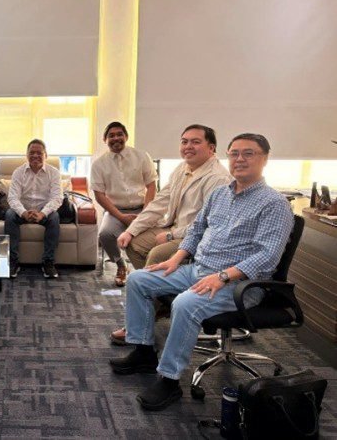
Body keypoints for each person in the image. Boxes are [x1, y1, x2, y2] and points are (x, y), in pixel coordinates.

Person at [109, 133, 293, 411]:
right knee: (138, 279)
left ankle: (169, 380)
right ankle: (144, 352)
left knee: (185, 303)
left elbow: (267, 257)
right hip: (198, 269)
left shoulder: (274, 204)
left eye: (249, 153)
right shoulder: (220, 194)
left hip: (239, 284)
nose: (240, 159)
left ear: (265, 159)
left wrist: (222, 276)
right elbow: (196, 230)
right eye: (234, 153)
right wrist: (176, 259)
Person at [110, 124, 232, 345]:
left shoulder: (217, 178)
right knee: (134, 242)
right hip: (174, 228)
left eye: (195, 142)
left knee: (157, 255)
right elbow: (160, 202)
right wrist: (130, 230)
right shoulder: (183, 168)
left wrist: (171, 235)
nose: (188, 146)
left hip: (198, 237)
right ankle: (162, 301)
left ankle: (143, 321)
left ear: (211, 148)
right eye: (184, 141)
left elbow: (207, 223)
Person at [91, 121, 157, 286]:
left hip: (142, 208)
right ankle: (121, 265)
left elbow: (151, 185)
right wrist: (121, 216)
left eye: (119, 134)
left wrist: (145, 213)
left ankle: (150, 270)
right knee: (105, 235)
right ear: (105, 140)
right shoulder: (99, 164)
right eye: (111, 135)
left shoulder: (142, 156)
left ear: (126, 137)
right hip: (115, 211)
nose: (116, 138)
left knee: (156, 236)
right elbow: (99, 195)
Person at [5, 139, 63, 279]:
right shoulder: (18, 172)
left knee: (54, 217)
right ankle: (13, 261)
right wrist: (23, 212)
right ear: (27, 155)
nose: (35, 156)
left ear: (45, 155)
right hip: (23, 211)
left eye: (39, 153)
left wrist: (43, 213)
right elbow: (13, 198)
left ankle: (48, 262)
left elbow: (57, 198)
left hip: (43, 211)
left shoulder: (54, 173)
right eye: (32, 153)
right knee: (9, 215)